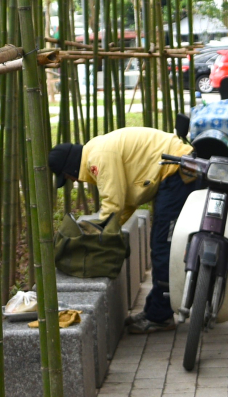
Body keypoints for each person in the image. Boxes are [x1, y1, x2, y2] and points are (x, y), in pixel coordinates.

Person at [49, 127, 194, 332]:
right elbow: (127, 202)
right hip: (174, 170)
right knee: (161, 245)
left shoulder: (98, 157)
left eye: (68, 177)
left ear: (71, 168)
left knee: (163, 248)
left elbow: (113, 204)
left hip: (177, 170)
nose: (73, 181)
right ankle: (156, 308)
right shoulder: (96, 150)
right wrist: (108, 227)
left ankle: (160, 315)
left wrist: (96, 235)